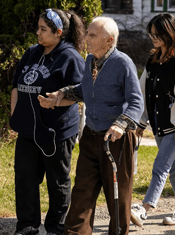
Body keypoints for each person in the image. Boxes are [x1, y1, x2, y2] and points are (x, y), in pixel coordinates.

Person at [39, 16, 144, 235]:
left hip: (116, 138)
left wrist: (120, 125)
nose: (86, 38)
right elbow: (85, 89)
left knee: (117, 195)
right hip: (91, 135)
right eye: (87, 33)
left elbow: (136, 101)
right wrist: (60, 95)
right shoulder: (90, 60)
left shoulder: (122, 62)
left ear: (109, 40)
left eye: (92, 35)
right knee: (82, 192)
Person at [10, 9, 85, 235]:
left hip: (56, 133)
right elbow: (16, 86)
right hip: (27, 132)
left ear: (58, 33)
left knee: (57, 182)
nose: (38, 33)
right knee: (25, 181)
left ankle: (56, 227)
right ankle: (27, 227)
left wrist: (55, 102)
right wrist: (16, 117)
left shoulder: (70, 57)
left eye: (43, 29)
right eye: (38, 28)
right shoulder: (31, 53)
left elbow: (80, 93)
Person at [130, 13, 175, 227]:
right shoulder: (153, 59)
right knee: (173, 168)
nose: (153, 38)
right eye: (152, 34)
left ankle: (144, 209)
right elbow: (144, 91)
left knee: (160, 167)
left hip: (173, 126)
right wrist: (141, 121)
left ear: (170, 33)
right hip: (158, 125)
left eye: (158, 34)